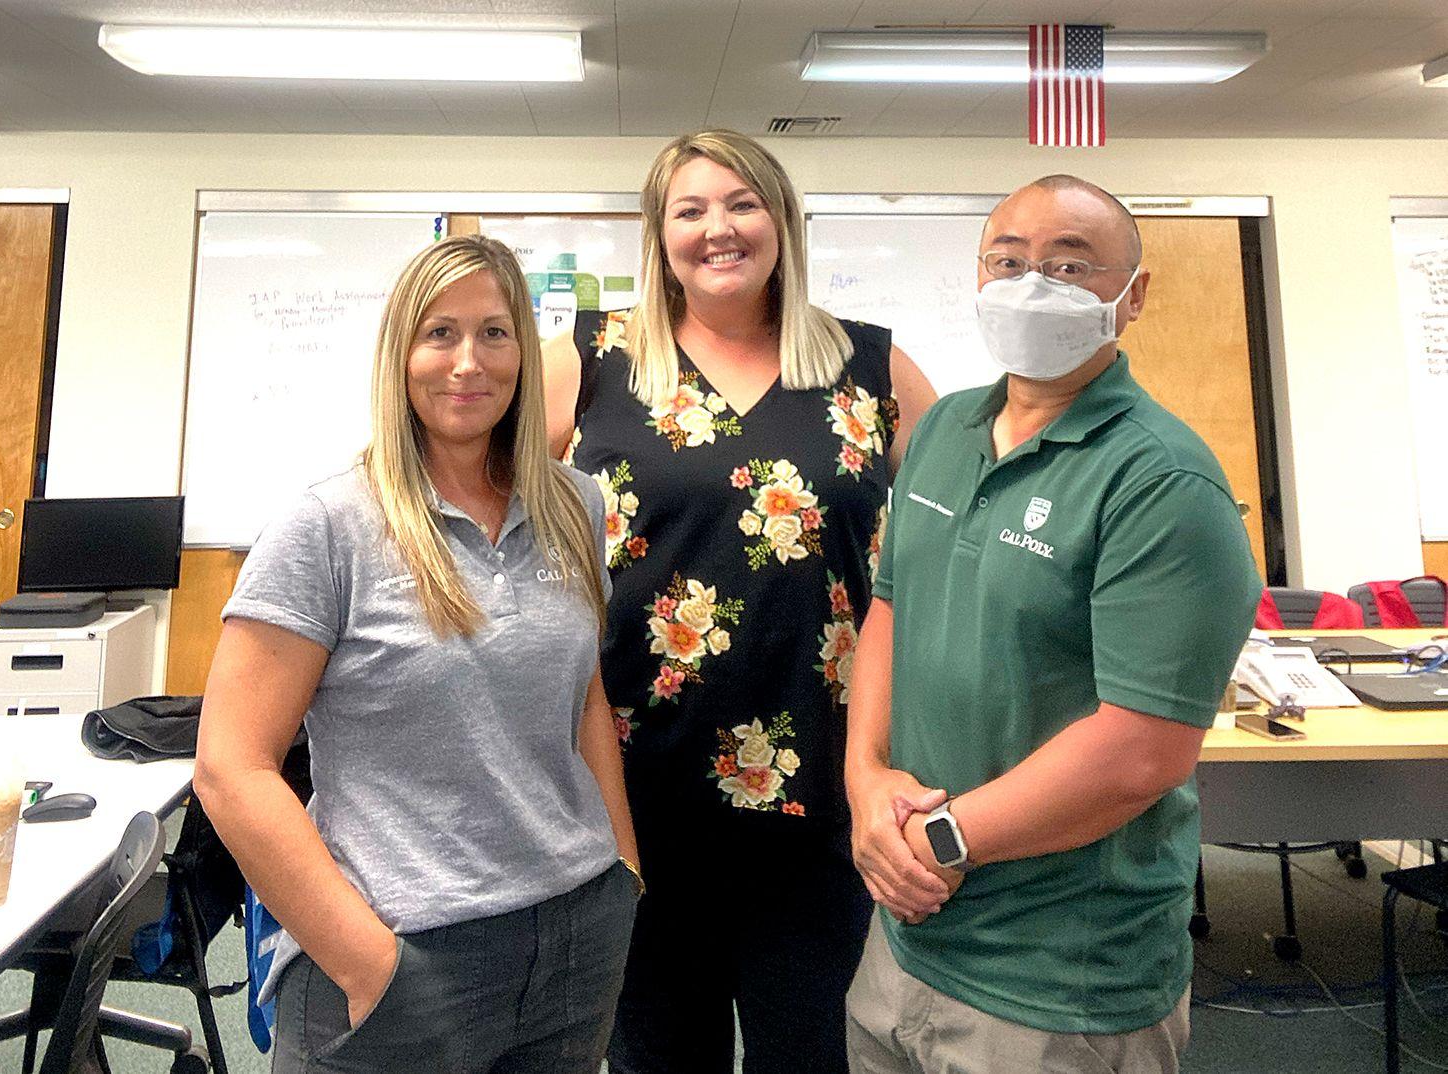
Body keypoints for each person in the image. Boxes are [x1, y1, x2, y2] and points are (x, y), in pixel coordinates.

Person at [844, 175, 1262, 1074]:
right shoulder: (948, 427)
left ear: (1132, 296)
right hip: (907, 937)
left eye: (1071, 268)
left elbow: (1140, 753)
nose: (1034, 285)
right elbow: (889, 607)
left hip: (1060, 977)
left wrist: (943, 841)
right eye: (1009, 262)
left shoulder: (1161, 482)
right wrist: (865, 780)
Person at [195, 234, 641, 1074]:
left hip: (576, 936)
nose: (468, 361)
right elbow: (230, 767)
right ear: (400, 353)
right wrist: (368, 963)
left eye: (495, 333)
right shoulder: (328, 526)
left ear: (526, 352)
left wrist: (621, 868)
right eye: (439, 333)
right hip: (405, 954)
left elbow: (585, 696)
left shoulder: (577, 504)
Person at [543, 129, 937, 1074]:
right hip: (633, 799)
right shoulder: (594, 363)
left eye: (743, 204)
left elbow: (959, 532)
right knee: (654, 1055)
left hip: (823, 797)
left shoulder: (870, 368)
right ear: (659, 234)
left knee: (813, 1055)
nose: (718, 229)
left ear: (782, 221)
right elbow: (471, 495)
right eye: (691, 210)